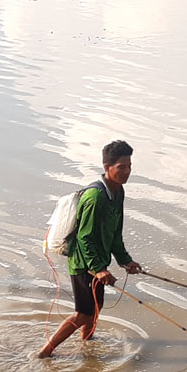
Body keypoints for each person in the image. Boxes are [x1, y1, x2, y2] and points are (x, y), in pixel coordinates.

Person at [37, 140, 143, 358]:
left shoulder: (118, 192)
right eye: (121, 167)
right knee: (84, 314)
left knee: (95, 308)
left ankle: (87, 342)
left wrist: (125, 260)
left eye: (129, 166)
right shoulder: (96, 198)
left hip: (97, 262)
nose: (127, 172)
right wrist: (98, 269)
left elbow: (116, 232)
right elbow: (85, 238)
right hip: (83, 263)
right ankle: (44, 353)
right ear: (107, 167)